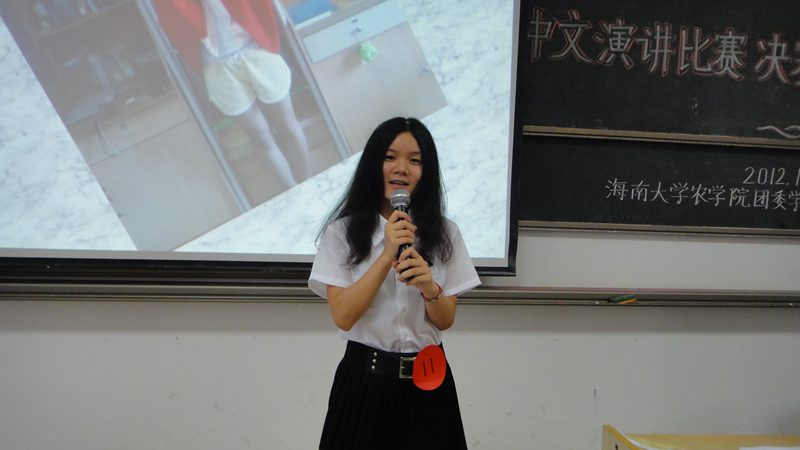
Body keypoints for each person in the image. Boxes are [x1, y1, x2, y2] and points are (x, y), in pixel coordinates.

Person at [308, 117, 480, 450]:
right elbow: (343, 316)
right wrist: (386, 254)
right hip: (365, 384)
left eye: (415, 160)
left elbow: (446, 319)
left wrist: (429, 287)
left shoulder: (446, 234)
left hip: (429, 382)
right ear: (373, 164)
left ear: (427, 172)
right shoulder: (342, 234)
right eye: (390, 157)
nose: (401, 168)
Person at [154, 0, 309, 188]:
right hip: (216, 65)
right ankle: (293, 192)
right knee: (260, 137)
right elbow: (170, 22)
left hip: (257, 48)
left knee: (287, 124)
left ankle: (307, 183)